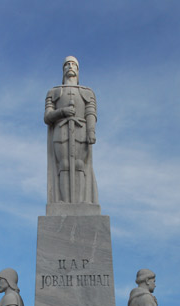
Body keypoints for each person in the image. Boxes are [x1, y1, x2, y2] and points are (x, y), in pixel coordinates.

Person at [44, 56, 99, 205]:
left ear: (77, 69)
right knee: (64, 165)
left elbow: (90, 113)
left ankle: (80, 201)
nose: (70, 66)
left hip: (81, 130)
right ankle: (64, 201)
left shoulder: (87, 92)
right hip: (61, 131)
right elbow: (47, 116)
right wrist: (62, 112)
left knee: (80, 165)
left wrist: (91, 131)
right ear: (63, 70)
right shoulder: (54, 92)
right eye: (67, 64)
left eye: (73, 64)